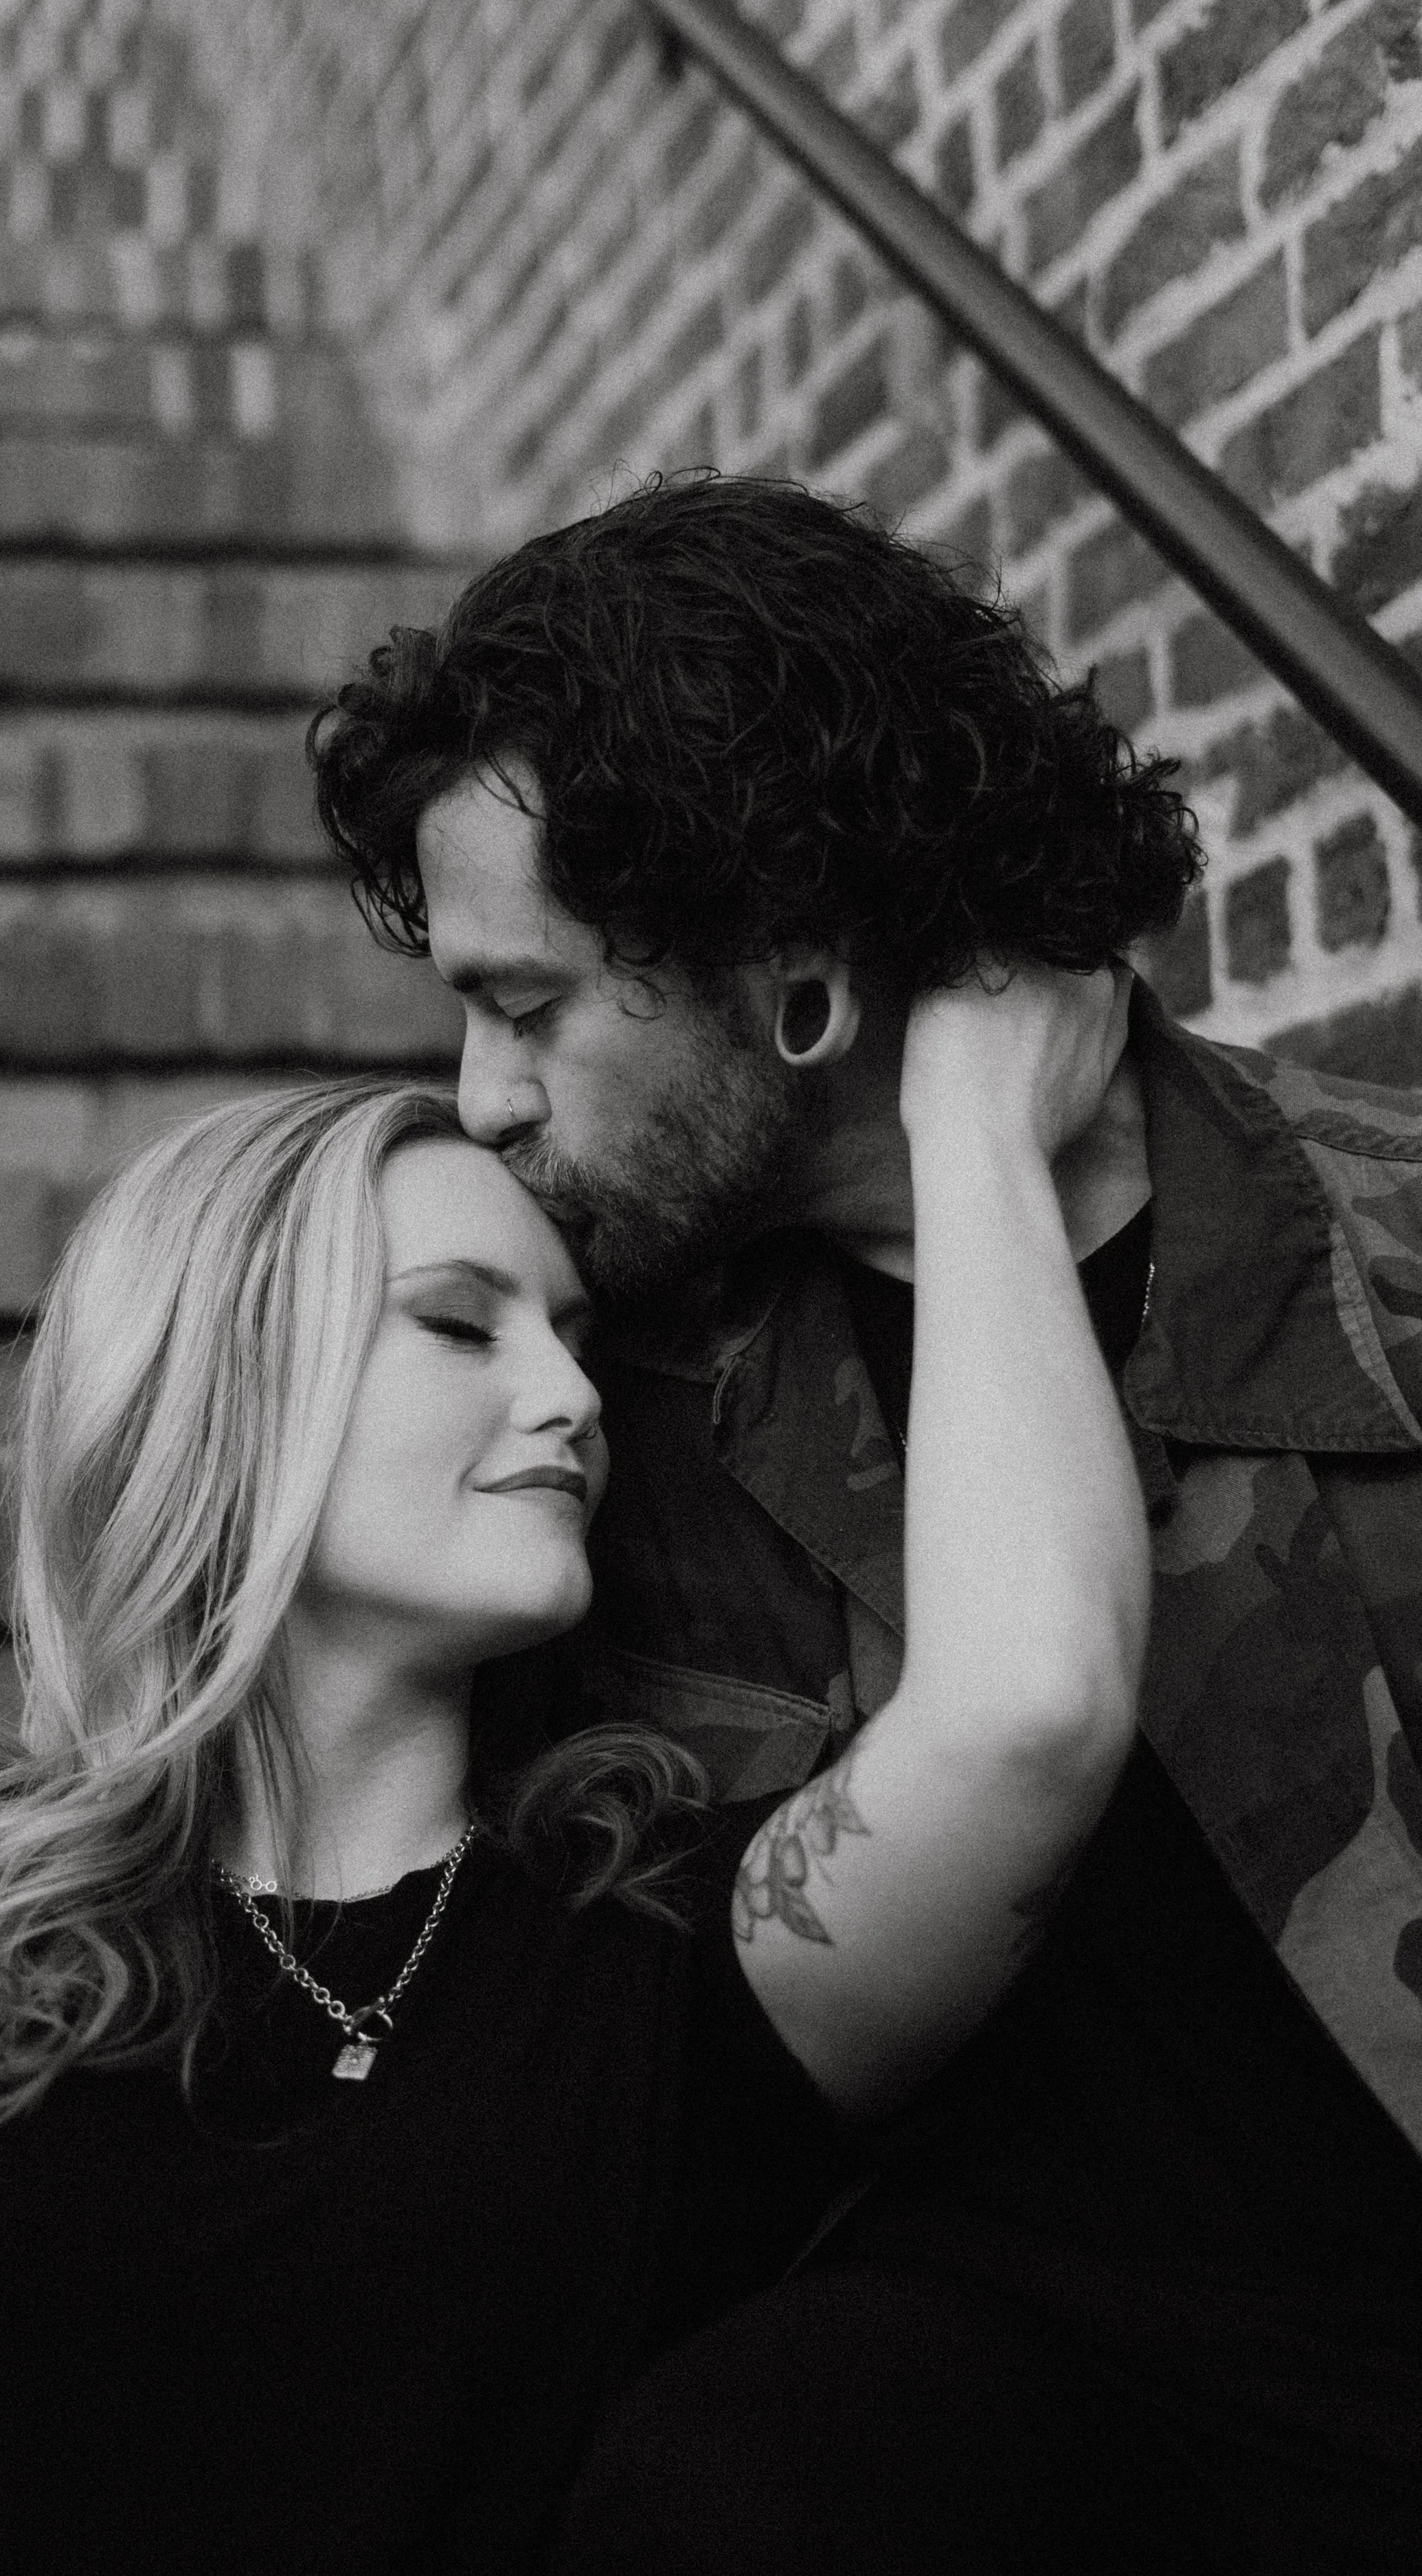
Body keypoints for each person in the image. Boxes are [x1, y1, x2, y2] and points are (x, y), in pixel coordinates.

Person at [312, 472, 1422, 2567]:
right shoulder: (583, 1417)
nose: (480, 1096)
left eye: (528, 1004)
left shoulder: (1385, 1258)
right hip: (986, 2430)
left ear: (800, 983)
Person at [0, 1012, 1146, 2576]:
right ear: (222, 1386)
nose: (572, 1394)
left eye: (577, 1339)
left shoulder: (661, 1949)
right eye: (462, 1325)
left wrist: (974, 1119)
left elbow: (1028, 1714)